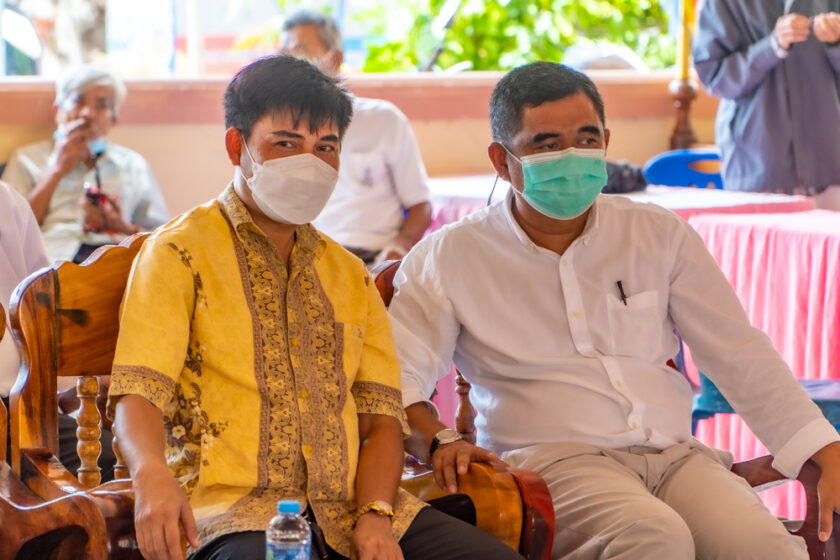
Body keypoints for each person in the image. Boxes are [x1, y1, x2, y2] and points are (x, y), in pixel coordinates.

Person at [388, 61, 840, 559]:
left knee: (762, 547)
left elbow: (739, 352)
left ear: (605, 142)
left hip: (677, 458)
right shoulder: (450, 256)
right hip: (552, 463)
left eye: (586, 140)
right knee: (653, 538)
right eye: (547, 144)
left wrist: (822, 447)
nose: (571, 157)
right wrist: (438, 440)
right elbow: (395, 379)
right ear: (501, 160)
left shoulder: (656, 234)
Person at [106, 55, 523, 560]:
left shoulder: (348, 275)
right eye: (286, 144)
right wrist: (151, 474)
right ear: (237, 147)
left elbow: (380, 419)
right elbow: (139, 392)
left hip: (354, 511)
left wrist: (375, 515)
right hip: (230, 517)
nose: (309, 162)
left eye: (325, 147)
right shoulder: (179, 254)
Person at [279, 10, 432, 265]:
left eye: (300, 51)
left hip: (375, 262)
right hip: (312, 264)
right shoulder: (278, 131)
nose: (291, 65)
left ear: (335, 59)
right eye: (285, 55)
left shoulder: (384, 119)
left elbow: (420, 206)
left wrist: (399, 249)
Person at [1, 180, 115, 479]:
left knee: (113, 461)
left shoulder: (6, 201)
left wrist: (68, 389)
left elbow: (41, 303)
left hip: (23, 409)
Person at [2, 65, 169, 263]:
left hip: (116, 263)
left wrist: (122, 226)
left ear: (113, 120)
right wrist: (56, 170)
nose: (88, 113)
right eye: (78, 101)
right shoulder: (27, 158)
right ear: (57, 111)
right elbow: (10, 232)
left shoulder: (133, 165)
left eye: (101, 105)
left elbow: (163, 240)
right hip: (50, 262)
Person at [693, 2, 840, 209]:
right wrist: (771, 47)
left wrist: (836, 44)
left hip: (828, 163)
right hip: (758, 165)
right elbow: (715, 78)